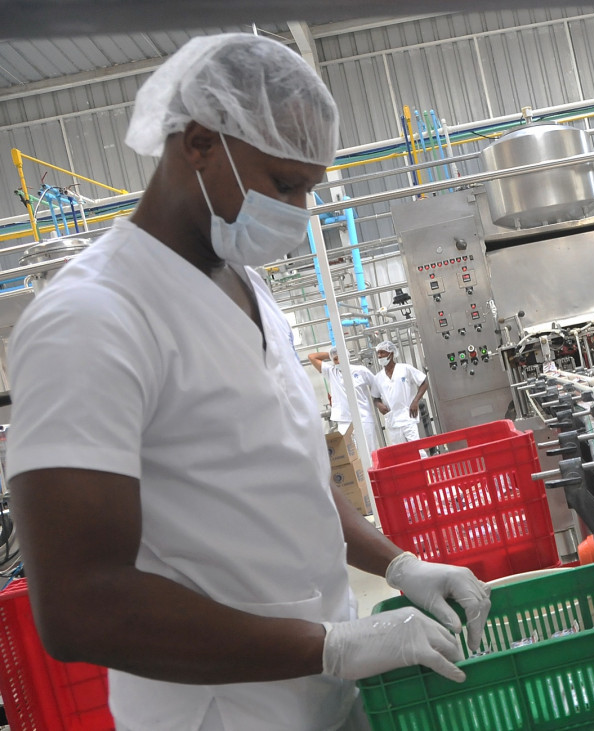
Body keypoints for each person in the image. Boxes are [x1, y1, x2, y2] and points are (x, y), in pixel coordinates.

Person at [6, 34, 490, 731]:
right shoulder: (92, 318)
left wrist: (399, 564)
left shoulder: (246, 284)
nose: (298, 211)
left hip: (322, 697)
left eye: (308, 188)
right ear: (199, 143)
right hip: (223, 713)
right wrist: (328, 646)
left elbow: (290, 473)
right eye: (284, 185)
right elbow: (81, 605)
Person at [309, 346, 386, 453]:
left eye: (340, 357)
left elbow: (377, 387)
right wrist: (331, 354)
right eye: (335, 359)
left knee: (369, 453)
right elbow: (312, 357)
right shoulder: (331, 372)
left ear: (346, 356)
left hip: (363, 418)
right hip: (344, 422)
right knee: (350, 456)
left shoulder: (360, 370)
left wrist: (379, 403)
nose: (338, 361)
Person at [372, 340, 429, 445]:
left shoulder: (405, 369)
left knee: (417, 449)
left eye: (382, 352)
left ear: (391, 353)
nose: (379, 356)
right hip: (392, 420)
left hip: (408, 417)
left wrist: (415, 401)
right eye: (378, 353)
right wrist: (379, 405)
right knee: (399, 452)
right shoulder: (378, 377)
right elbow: (375, 397)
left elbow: (424, 382)